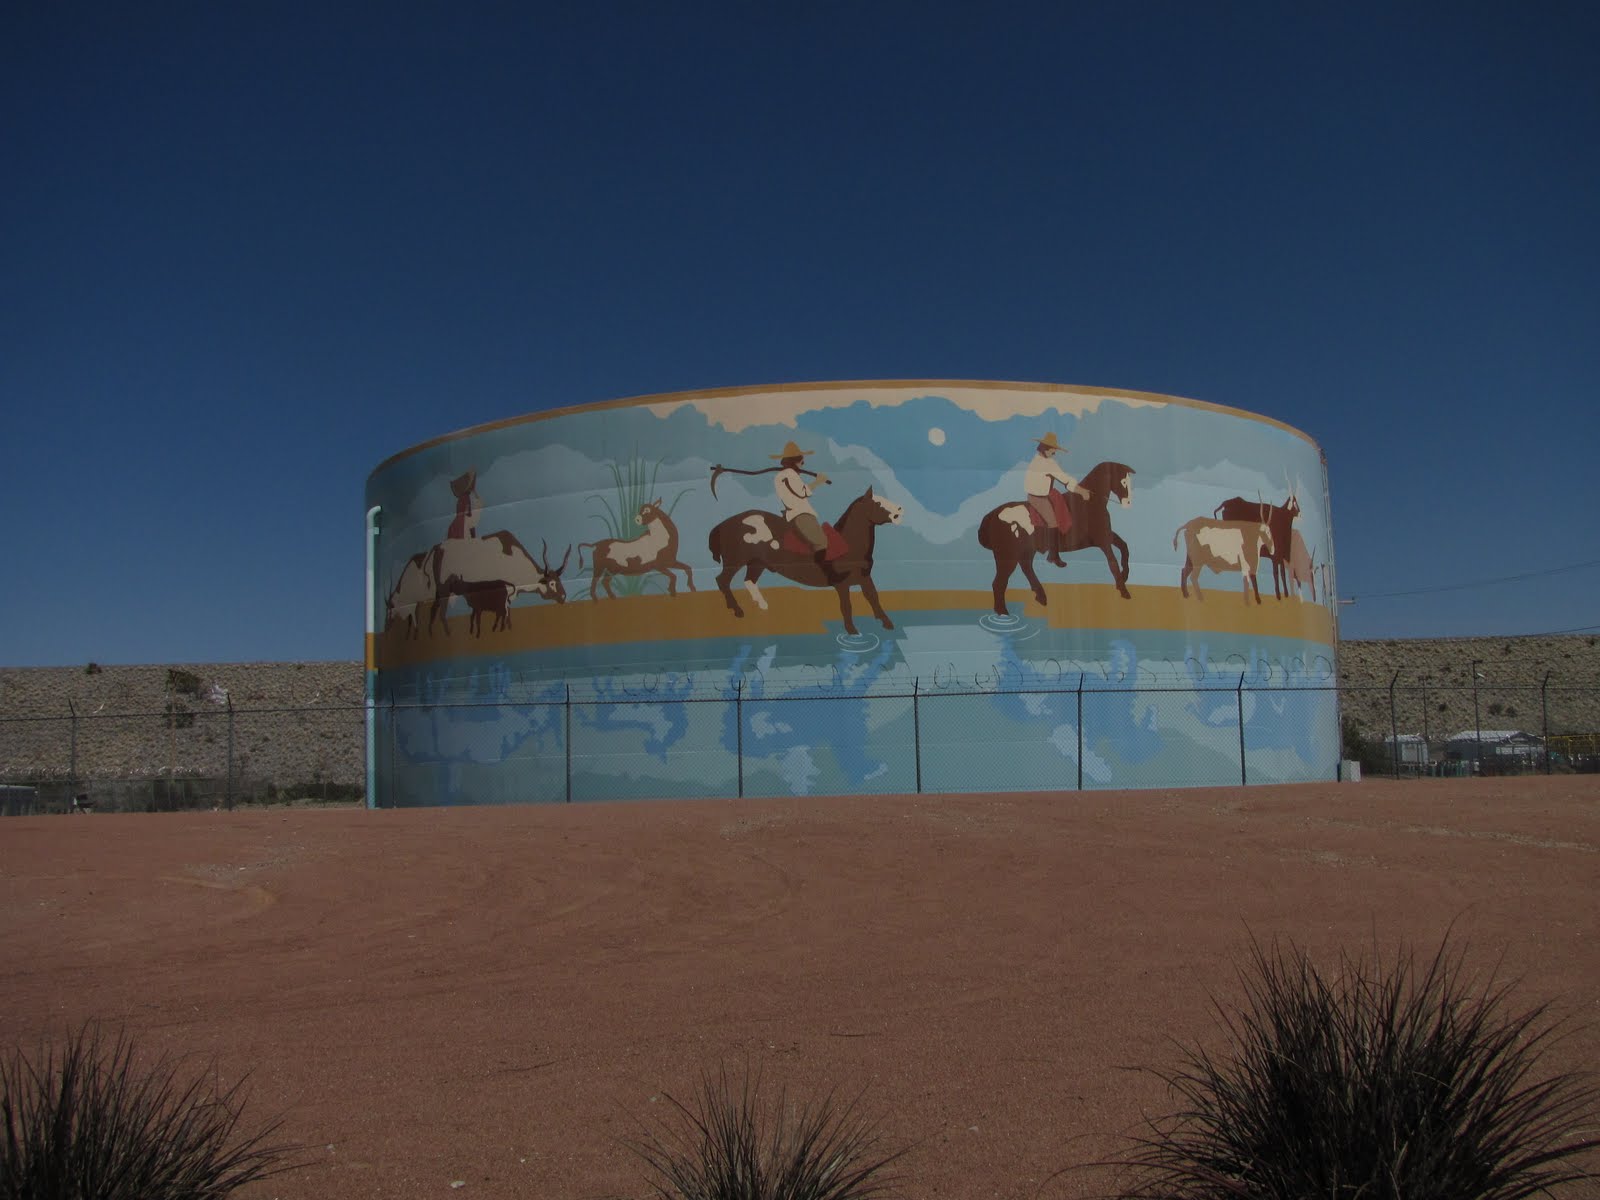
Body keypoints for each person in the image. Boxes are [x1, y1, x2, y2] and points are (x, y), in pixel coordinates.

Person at [770, 440, 837, 580]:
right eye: (802, 461)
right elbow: (803, 492)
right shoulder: (790, 474)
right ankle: (827, 573)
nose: (803, 464)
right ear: (796, 461)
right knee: (821, 541)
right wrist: (818, 481)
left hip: (792, 513)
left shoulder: (780, 476)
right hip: (801, 514)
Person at [1024, 432, 1090, 566]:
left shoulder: (1038, 459)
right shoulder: (1047, 463)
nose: (1055, 452)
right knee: (1053, 523)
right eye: (1053, 449)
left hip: (1046, 493)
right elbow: (1065, 480)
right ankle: (1053, 555)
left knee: (1062, 504)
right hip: (1038, 497)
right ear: (1046, 448)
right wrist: (1082, 491)